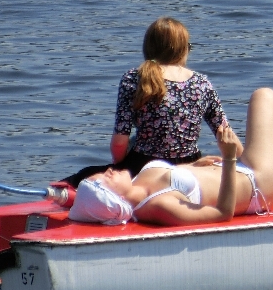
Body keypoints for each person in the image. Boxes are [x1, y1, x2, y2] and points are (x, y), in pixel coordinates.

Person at [68, 88, 273, 226]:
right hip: (256, 184)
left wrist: (193, 166)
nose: (109, 170)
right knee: (265, 97)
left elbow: (177, 180)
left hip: (239, 171)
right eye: (105, 179)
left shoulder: (140, 181)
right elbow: (222, 214)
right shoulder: (159, 206)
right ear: (113, 200)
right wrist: (230, 157)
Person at [63, 17, 228, 187]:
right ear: (182, 50)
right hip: (190, 167)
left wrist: (120, 168)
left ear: (148, 48)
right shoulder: (202, 83)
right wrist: (246, 168)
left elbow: (119, 143)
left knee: (82, 177)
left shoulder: (133, 79)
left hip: (144, 167)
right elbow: (226, 136)